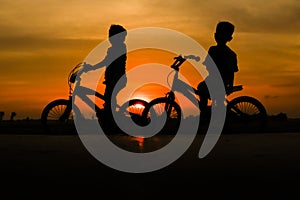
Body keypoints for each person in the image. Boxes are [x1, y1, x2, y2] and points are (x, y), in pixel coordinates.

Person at [85, 24, 127, 128]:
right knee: (108, 100)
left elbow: (110, 62)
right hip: (111, 79)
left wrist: (92, 68)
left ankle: (111, 124)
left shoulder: (119, 48)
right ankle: (109, 122)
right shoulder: (112, 49)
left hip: (117, 78)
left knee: (109, 101)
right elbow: (106, 61)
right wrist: (92, 67)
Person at [197, 21, 239, 116]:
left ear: (229, 38)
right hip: (212, 80)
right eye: (217, 33)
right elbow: (207, 64)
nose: (217, 36)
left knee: (202, 88)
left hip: (219, 82)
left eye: (221, 34)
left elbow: (231, 71)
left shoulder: (228, 54)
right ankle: (208, 111)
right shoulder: (215, 50)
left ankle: (205, 111)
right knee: (202, 88)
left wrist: (230, 86)